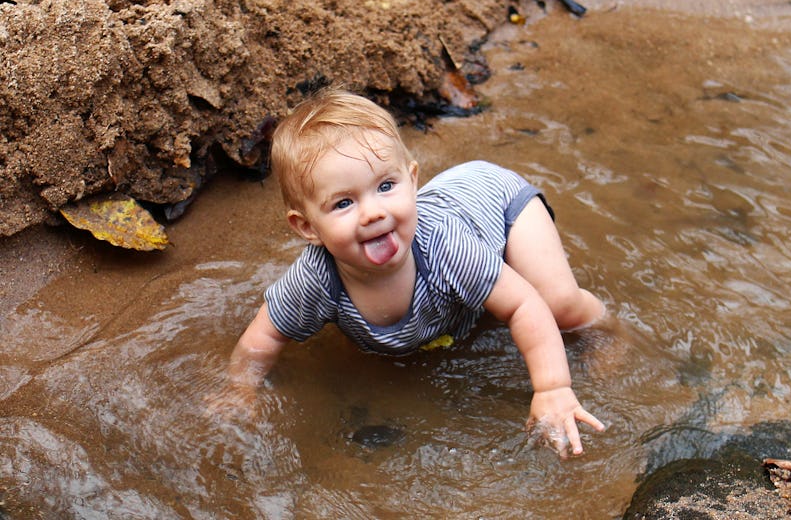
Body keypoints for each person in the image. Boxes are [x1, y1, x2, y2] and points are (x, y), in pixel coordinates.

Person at [217, 88, 607, 456]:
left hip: (498, 206)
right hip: (467, 234)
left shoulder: (443, 245)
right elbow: (263, 337)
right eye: (343, 203)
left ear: (413, 181)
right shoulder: (315, 279)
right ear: (307, 227)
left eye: (386, 185)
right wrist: (241, 389)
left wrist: (552, 387)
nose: (374, 212)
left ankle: (604, 326)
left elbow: (524, 306)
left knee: (556, 305)